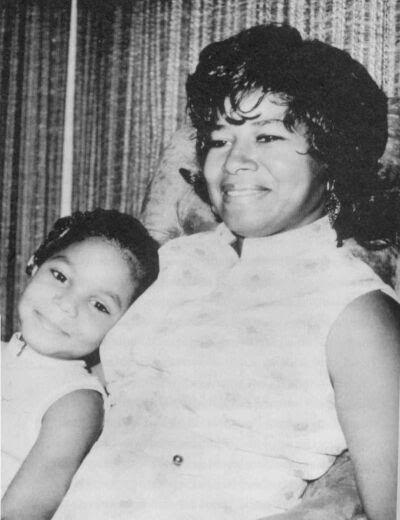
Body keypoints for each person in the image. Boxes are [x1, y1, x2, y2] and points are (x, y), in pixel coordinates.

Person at [55, 24, 399, 520]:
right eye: (219, 140)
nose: (235, 161)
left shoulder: (357, 311)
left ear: (333, 158)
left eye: (268, 136)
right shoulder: (170, 262)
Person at [1, 208, 159, 520]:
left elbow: (22, 513)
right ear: (35, 263)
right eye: (60, 276)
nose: (67, 304)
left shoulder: (75, 402)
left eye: (99, 305)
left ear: (124, 327)